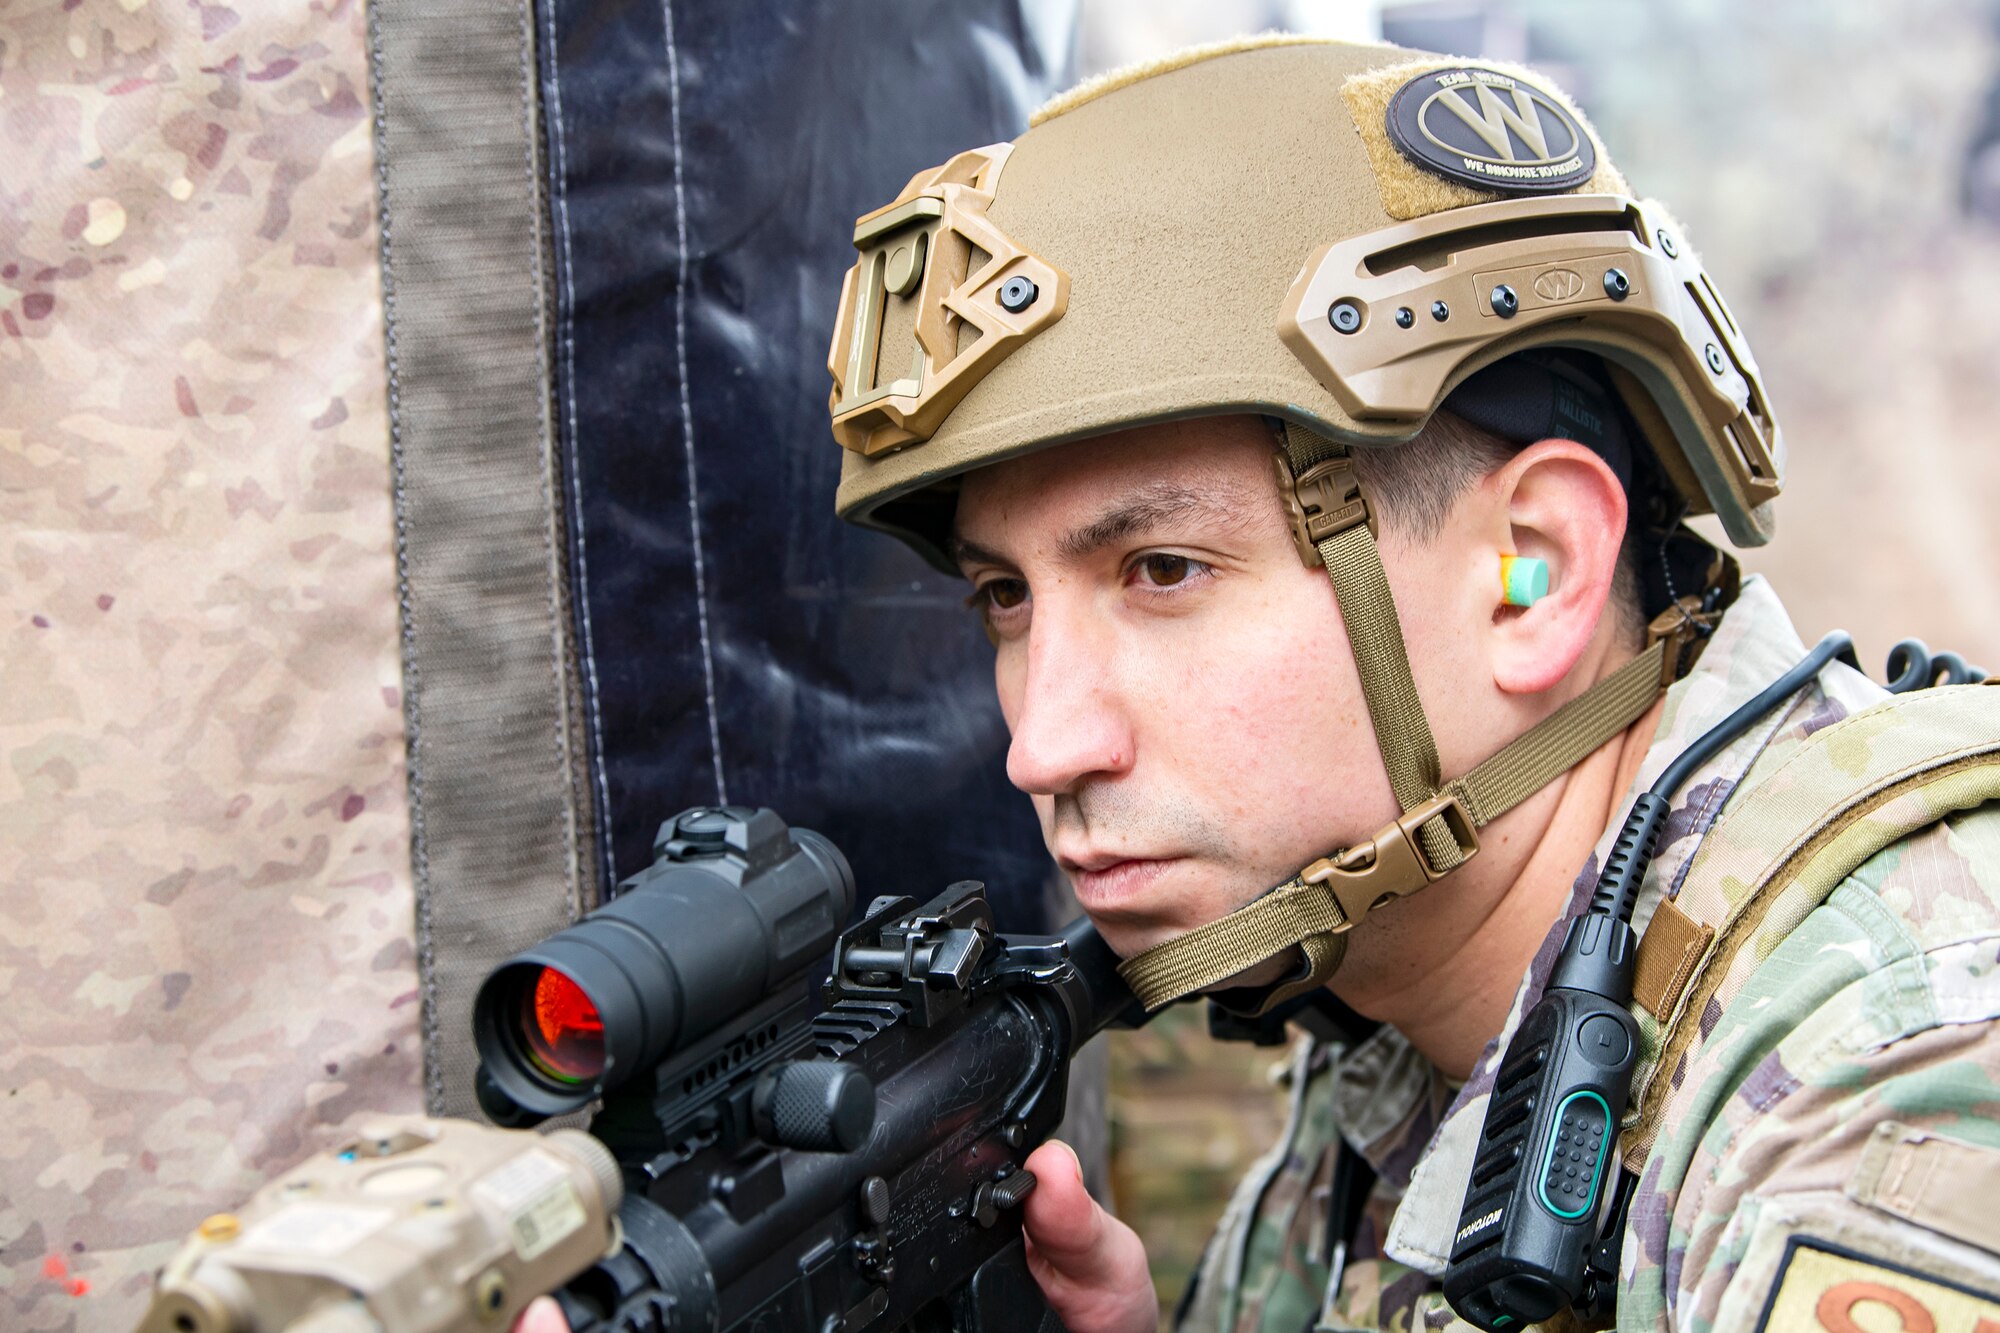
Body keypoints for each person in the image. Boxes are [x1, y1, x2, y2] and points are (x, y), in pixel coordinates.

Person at [817, 34, 2000, 1333]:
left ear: (1531, 574)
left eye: (1162, 569)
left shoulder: (1886, 1069)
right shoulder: (1410, 1002)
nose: (1043, 744)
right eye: (1006, 596)